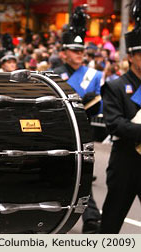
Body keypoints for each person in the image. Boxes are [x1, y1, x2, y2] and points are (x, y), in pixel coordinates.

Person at [53, 5, 102, 234]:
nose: (80, 54)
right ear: (64, 52)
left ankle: (91, 217)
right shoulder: (52, 73)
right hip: (58, 132)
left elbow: (98, 108)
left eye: (82, 50)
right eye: (74, 50)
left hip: (82, 133)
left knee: (82, 176)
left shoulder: (94, 76)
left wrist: (91, 104)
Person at [100, 0, 141, 233]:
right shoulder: (116, 87)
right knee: (111, 224)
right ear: (132, 56)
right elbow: (115, 124)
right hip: (125, 163)